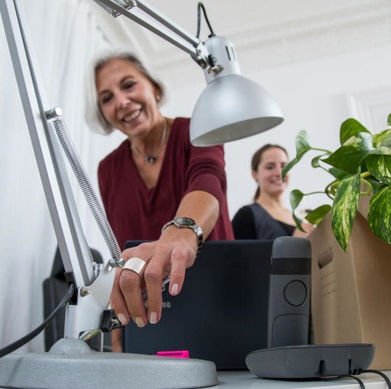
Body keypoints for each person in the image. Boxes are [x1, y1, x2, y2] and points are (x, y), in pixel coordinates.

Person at [85, 51, 234, 348]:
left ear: (153, 87)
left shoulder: (197, 130)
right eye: (107, 98)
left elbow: (208, 181)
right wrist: (119, 322)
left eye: (128, 85)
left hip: (219, 300)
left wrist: (180, 234)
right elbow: (121, 249)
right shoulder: (108, 169)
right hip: (150, 314)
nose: (121, 101)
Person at [232, 144, 313, 239]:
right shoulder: (246, 216)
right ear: (255, 174)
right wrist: (294, 242)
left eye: (284, 166)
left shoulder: (300, 221)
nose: (279, 172)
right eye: (270, 167)